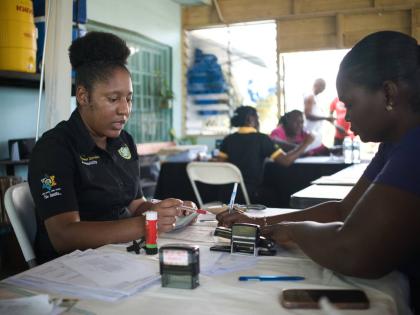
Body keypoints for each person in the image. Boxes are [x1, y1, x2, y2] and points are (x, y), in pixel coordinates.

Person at [217, 31, 420, 312]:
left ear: (388, 93)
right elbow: (343, 211)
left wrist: (295, 231)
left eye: (350, 104)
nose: (346, 117)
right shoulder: (395, 144)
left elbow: (352, 250)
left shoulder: (415, 147)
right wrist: (261, 223)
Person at [28, 32, 193, 264]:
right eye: (113, 99)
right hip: (71, 268)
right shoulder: (54, 148)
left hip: (120, 256)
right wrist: (144, 224)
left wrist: (166, 211)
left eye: (129, 99)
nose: (125, 110)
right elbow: (64, 235)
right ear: (84, 96)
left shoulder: (124, 141)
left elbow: (135, 203)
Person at [215, 106, 313, 202]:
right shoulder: (262, 139)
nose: (259, 122)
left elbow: (219, 164)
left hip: (227, 195)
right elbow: (286, 161)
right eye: (257, 118)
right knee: (280, 193)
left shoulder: (228, 139)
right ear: (250, 119)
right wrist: (306, 144)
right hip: (250, 195)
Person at [304, 78, 335, 147]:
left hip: (315, 132)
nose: (323, 89)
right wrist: (326, 118)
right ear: (317, 85)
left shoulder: (315, 97)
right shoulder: (310, 96)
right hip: (310, 131)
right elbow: (308, 115)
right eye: (322, 86)